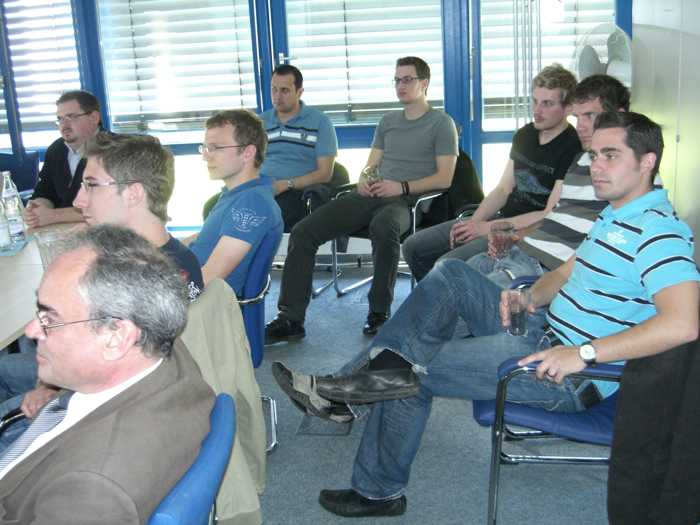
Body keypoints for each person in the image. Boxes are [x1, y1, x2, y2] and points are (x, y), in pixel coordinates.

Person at [272, 112, 700, 518]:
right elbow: (565, 273)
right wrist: (528, 297)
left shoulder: (660, 232)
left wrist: (583, 354)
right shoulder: (615, 215)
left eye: (611, 155)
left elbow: (683, 323)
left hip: (568, 373)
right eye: (594, 155)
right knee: (452, 276)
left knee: (409, 370)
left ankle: (375, 485)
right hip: (542, 329)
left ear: (647, 162)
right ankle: (358, 390)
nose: (596, 167)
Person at [0, 132, 205, 452]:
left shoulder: (135, 282)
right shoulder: (170, 258)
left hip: (95, 412)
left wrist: (50, 387)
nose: (79, 200)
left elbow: (99, 370)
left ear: (134, 193)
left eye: (92, 185)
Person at [0, 225, 214, 523]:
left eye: (50, 318)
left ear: (116, 337)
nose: (32, 330)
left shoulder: (91, 491)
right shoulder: (160, 346)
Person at [265, 56, 458, 340]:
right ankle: (290, 318)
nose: (401, 85)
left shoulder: (441, 123)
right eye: (397, 80)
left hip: (406, 200)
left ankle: (378, 312)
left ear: (424, 83)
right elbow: (371, 165)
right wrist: (366, 179)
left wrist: (401, 187)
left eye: (407, 79)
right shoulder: (388, 121)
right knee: (304, 231)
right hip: (371, 194)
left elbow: (445, 178)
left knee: (384, 226)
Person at [402, 63, 581, 281]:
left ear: (568, 108)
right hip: (500, 218)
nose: (537, 110)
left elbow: (548, 214)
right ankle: (438, 296)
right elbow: (503, 189)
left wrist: (485, 228)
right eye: (534, 101)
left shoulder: (573, 148)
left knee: (445, 266)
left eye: (547, 104)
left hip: (524, 231)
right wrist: (474, 224)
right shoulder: (525, 135)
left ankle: (447, 295)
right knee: (413, 247)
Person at [467, 74, 632, 288]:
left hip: (543, 267)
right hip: (523, 249)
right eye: (578, 117)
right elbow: (555, 216)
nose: (581, 127)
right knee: (448, 272)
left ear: (618, 115)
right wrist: (515, 236)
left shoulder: (629, 171)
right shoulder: (580, 161)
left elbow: (602, 244)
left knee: (455, 283)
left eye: (590, 116)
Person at [189, 109, 283, 296]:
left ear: (247, 153)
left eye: (215, 148)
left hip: (204, 303)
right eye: (205, 147)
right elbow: (204, 239)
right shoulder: (237, 194)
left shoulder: (252, 203)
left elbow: (209, 278)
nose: (205, 156)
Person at [260, 64, 339, 231]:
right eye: (274, 89)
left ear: (299, 92)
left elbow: (325, 173)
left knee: (267, 214)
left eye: (284, 90)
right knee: (213, 207)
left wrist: (287, 184)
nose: (277, 96)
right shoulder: (260, 122)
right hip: (260, 188)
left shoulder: (320, 122)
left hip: (295, 192)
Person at [23, 90, 101, 229]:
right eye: (60, 119)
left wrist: (53, 216)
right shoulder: (56, 149)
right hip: (61, 231)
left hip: (102, 231)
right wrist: (36, 209)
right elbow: (45, 190)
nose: (64, 125)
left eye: (71, 117)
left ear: (94, 117)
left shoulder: (115, 149)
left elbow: (114, 205)